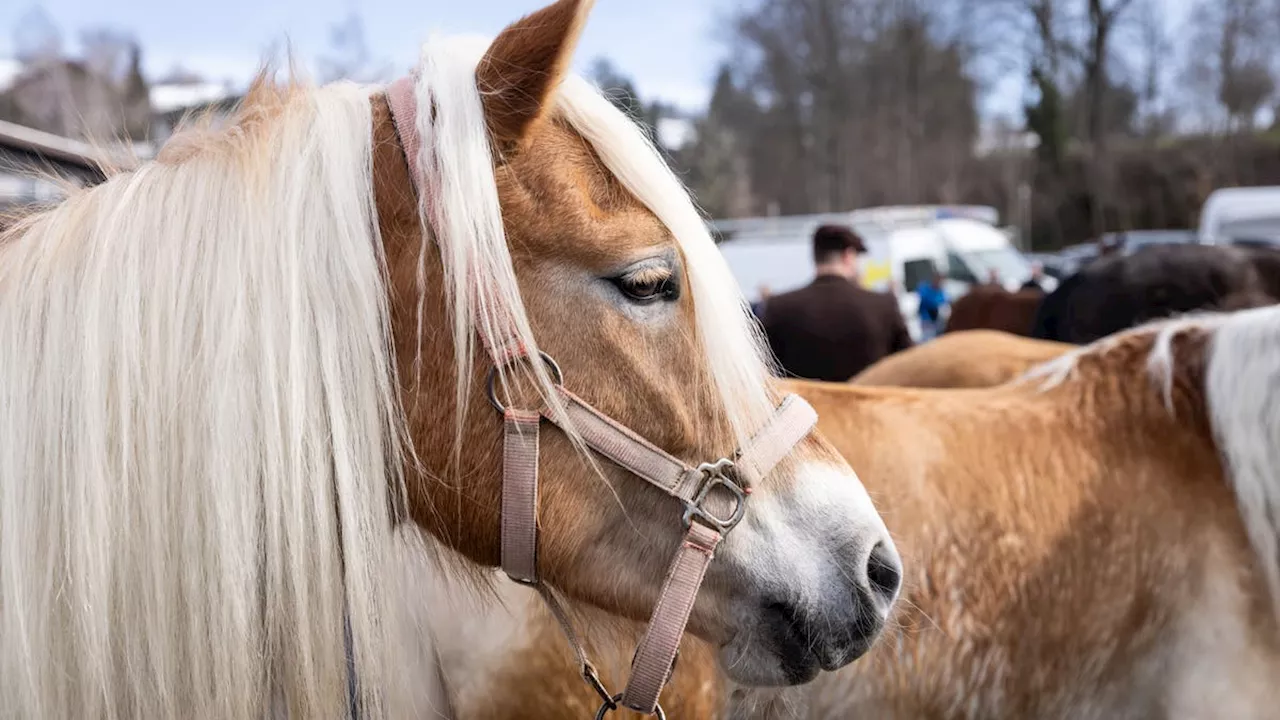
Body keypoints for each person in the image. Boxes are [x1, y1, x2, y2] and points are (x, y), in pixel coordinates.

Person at [761, 225, 913, 381]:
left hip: (806, 403)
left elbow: (763, 371)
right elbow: (910, 366)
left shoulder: (778, 308)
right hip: (870, 404)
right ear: (848, 256)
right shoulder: (883, 305)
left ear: (815, 256)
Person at [916, 271, 948, 341]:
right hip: (927, 321)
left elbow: (945, 302)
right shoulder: (924, 289)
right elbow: (927, 301)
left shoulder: (941, 292)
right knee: (928, 340)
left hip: (938, 321)